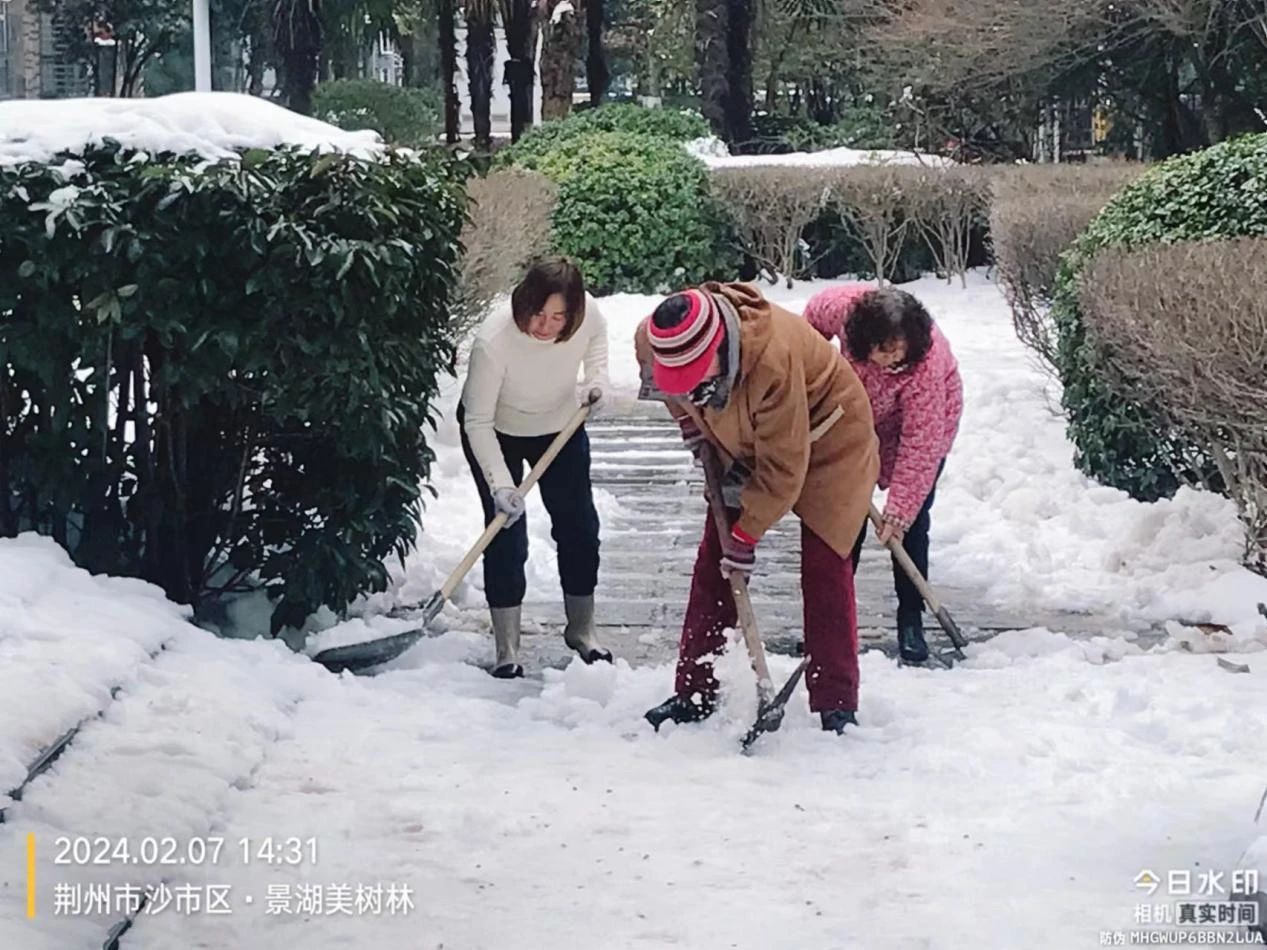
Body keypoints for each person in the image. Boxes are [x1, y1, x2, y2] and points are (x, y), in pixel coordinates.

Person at [635, 282, 879, 734]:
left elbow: (783, 468)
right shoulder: (653, 339)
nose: (687, 385)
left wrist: (748, 536)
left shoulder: (772, 360)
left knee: (827, 565)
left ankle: (836, 700)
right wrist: (690, 420)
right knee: (716, 561)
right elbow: (667, 389)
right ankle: (695, 689)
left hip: (830, 440)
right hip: (741, 435)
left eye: (694, 375)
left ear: (719, 346)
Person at [458, 257, 612, 678]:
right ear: (524, 302)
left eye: (558, 317)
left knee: (579, 527)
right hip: (497, 430)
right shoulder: (494, 341)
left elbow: (596, 341)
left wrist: (596, 381)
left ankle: (582, 630)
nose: (546, 326)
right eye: (538, 315)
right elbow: (477, 422)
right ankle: (507, 646)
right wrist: (500, 485)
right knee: (506, 532)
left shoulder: (587, 315)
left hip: (559, 427)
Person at [802, 284, 963, 664]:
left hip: (926, 422)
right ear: (863, 339)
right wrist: (809, 370)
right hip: (855, 418)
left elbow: (920, 446)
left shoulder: (925, 365)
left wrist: (900, 510)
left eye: (897, 351)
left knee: (912, 524)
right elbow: (806, 331)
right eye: (882, 350)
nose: (891, 359)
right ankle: (833, 625)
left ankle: (911, 620)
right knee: (844, 517)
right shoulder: (841, 311)